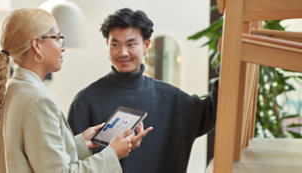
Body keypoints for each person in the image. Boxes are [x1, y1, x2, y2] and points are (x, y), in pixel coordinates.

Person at [0, 8, 150, 173]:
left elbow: (40, 157)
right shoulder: (38, 101)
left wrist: (80, 143)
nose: (62, 48)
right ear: (37, 45)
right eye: (58, 38)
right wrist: (112, 154)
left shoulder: (16, 89)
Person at [68, 8, 219, 173]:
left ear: (146, 45)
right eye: (115, 44)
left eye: (131, 44)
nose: (122, 52)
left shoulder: (172, 98)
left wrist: (227, 58)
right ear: (107, 45)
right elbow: (71, 162)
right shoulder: (85, 102)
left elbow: (215, 110)